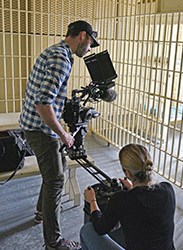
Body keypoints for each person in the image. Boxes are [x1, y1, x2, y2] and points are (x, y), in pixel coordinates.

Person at [19, 20, 99, 250]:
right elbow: (43, 103)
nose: (90, 48)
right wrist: (63, 133)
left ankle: (40, 212)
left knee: (56, 171)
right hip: (41, 129)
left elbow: (47, 98)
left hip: (34, 125)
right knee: (55, 179)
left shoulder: (56, 50)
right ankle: (53, 242)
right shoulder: (62, 59)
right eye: (91, 42)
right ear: (83, 35)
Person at [80, 143, 176, 250]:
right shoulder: (168, 189)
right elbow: (147, 209)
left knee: (87, 230)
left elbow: (100, 228)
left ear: (128, 173)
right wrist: (132, 189)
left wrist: (92, 200)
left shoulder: (122, 199)